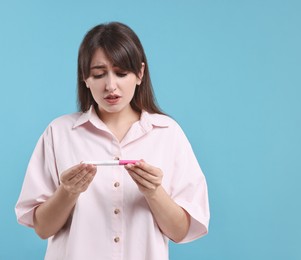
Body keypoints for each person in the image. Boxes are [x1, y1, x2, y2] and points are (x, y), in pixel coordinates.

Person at [15, 22, 210, 260]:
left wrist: (154, 192)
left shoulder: (168, 133)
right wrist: (67, 191)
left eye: (121, 73)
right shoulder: (59, 132)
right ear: (84, 78)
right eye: (98, 74)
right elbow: (43, 229)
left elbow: (180, 232)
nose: (110, 86)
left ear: (140, 74)